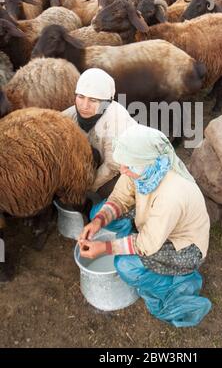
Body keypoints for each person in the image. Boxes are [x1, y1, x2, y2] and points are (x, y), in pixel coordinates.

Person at [78, 124, 211, 327]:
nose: (123, 170)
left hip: (184, 245)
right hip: (155, 223)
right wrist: (99, 222)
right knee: (98, 211)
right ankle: (127, 240)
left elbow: (147, 244)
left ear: (144, 163)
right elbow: (121, 196)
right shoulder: (145, 167)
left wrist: (104, 248)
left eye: (127, 166)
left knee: (126, 266)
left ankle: (176, 283)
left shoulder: (171, 194)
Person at [63, 68, 136, 198]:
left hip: (124, 169)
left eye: (93, 100)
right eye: (81, 97)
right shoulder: (71, 114)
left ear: (106, 103)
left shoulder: (116, 120)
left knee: (108, 190)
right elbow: (52, 126)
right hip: (98, 161)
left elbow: (112, 165)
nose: (84, 106)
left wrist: (84, 189)